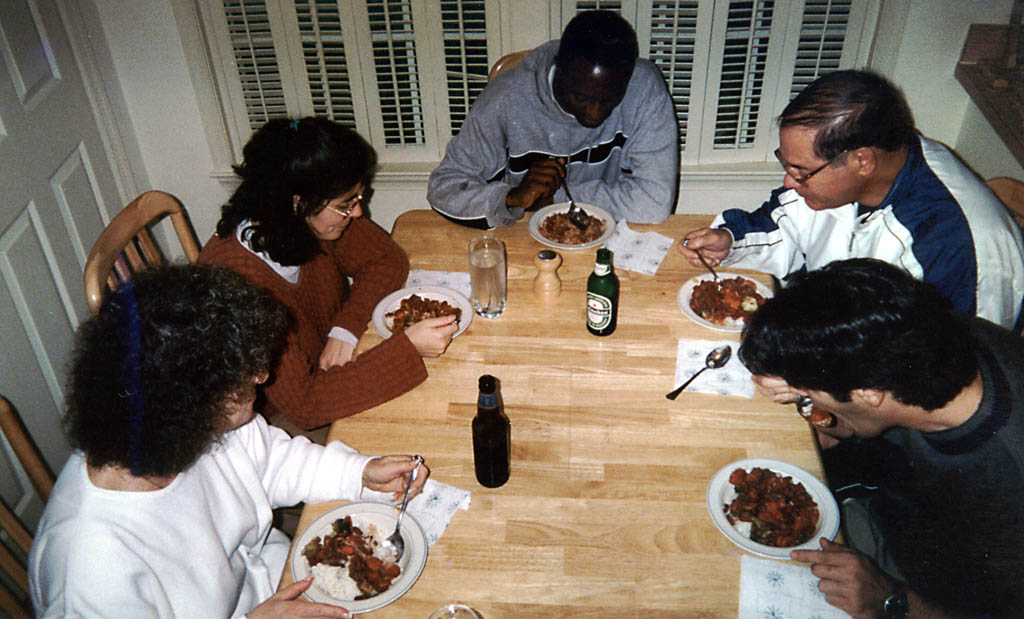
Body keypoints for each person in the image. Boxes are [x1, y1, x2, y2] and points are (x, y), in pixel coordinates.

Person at [27, 264, 429, 618]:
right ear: (184, 403)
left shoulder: (183, 432)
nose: (261, 378)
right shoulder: (89, 573)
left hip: (277, 578)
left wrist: (358, 471)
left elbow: (270, 461)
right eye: (240, 376)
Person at [738, 258, 1024, 618]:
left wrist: (892, 599)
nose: (805, 398)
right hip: (888, 519)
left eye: (809, 392)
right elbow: (858, 421)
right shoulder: (920, 336)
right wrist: (811, 397)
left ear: (868, 393)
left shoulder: (1008, 481)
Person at [680, 70, 1024, 331]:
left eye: (800, 171)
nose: (789, 181)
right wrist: (730, 241)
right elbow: (783, 223)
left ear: (862, 161)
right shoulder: (866, 166)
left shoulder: (955, 247)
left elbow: (952, 375)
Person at [200, 117, 457, 434]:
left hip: (331, 375)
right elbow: (306, 405)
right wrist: (408, 348)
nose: (357, 213)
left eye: (357, 199)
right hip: (275, 425)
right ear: (298, 203)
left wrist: (345, 329)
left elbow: (386, 259)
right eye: (346, 204)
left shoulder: (301, 218)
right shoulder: (237, 286)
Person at [427, 10, 679, 229]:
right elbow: (443, 189)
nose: (595, 113)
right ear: (559, 70)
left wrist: (553, 199)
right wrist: (512, 197)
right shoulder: (505, 98)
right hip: (522, 233)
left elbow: (655, 201)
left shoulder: (644, 87)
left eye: (610, 99)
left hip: (607, 235)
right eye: (581, 97)